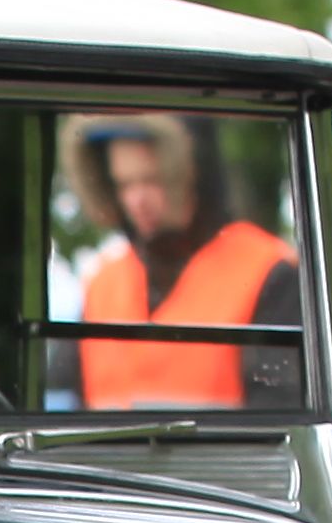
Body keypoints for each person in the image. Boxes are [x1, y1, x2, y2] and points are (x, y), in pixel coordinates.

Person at [62, 116, 297, 407]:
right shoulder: (101, 283)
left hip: (229, 454)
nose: (137, 200)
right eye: (124, 184)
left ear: (192, 173)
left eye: (152, 181)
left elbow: (282, 416)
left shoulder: (268, 270)